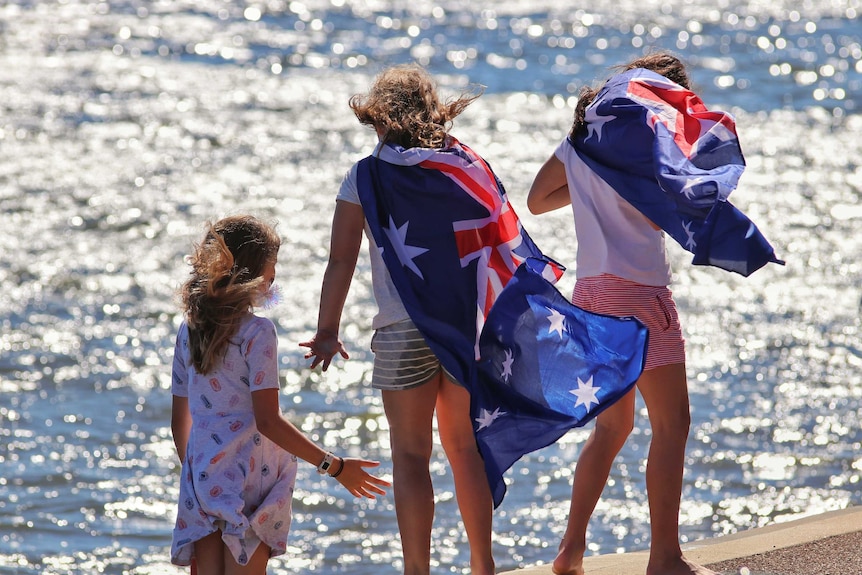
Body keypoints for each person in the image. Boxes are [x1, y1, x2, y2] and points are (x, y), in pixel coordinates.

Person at [300, 65, 496, 575]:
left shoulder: (365, 175)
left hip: (400, 329)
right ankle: (483, 566)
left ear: (379, 118)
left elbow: (340, 260)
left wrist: (327, 330)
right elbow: (493, 241)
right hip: (459, 327)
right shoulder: (462, 167)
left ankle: (417, 571)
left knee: (410, 457)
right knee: (463, 448)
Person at [527, 52, 718, 575]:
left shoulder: (583, 143)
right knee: (672, 424)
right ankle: (664, 557)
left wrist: (593, 183)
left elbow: (537, 200)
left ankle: (569, 553)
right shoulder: (653, 147)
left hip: (592, 293)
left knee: (611, 431)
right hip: (638, 292)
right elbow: (689, 206)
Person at [170, 215, 390, 575]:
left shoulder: (189, 330)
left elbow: (180, 421)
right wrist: (333, 466)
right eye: (272, 268)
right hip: (250, 482)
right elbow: (268, 421)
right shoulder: (257, 333)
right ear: (255, 272)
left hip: (202, 477)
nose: (275, 277)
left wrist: (198, 473)